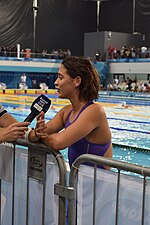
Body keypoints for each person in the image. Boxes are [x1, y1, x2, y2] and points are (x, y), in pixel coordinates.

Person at [29, 56, 112, 169]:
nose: (56, 82)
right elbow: (35, 134)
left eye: (60, 77)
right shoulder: (66, 112)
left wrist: (39, 135)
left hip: (100, 184)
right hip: (79, 181)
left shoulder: (95, 112)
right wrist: (37, 133)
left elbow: (58, 142)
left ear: (77, 81)